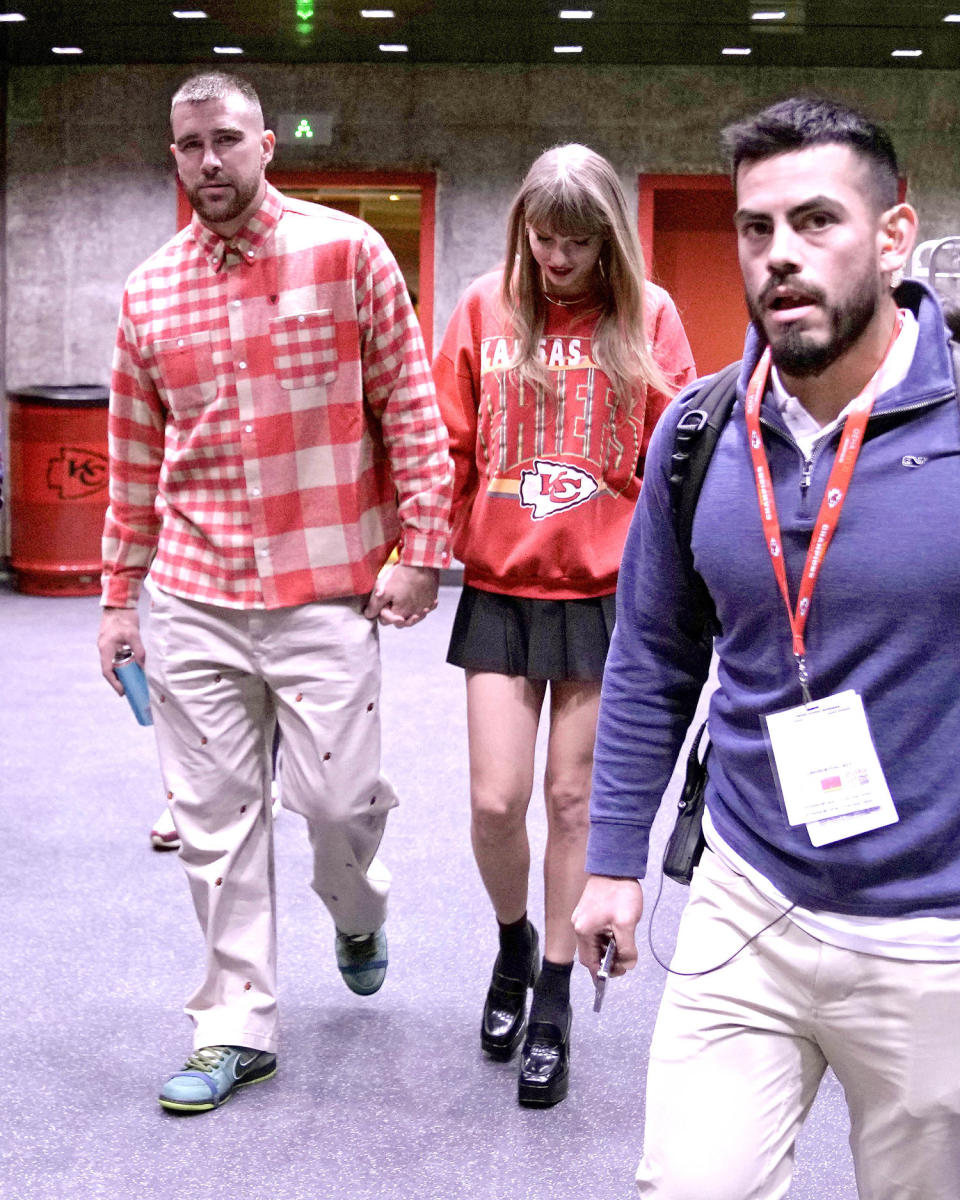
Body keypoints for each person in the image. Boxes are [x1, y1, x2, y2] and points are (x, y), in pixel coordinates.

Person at [573, 95, 960, 1198]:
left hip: (935, 930)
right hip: (749, 897)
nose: (781, 255)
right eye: (757, 228)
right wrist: (610, 861)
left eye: (817, 221)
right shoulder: (696, 431)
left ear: (893, 236)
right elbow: (651, 655)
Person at [97, 71, 452, 1114]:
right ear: (174, 154)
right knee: (213, 822)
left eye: (227, 140)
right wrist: (120, 598)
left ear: (266, 145)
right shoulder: (148, 290)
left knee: (339, 807)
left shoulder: (348, 252)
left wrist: (420, 546)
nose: (209, 161)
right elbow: (129, 460)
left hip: (324, 590)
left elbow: (411, 409)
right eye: (189, 145)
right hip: (196, 594)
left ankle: (358, 909)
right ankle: (233, 1023)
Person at [433, 144, 694, 1107]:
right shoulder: (480, 310)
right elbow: (445, 447)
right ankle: (513, 946)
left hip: (601, 592)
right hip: (501, 585)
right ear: (522, 230)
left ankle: (551, 1000)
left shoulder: (649, 315)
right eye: (543, 240)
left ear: (608, 241)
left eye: (577, 244)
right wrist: (416, 552)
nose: (557, 259)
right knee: (499, 801)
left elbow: (677, 461)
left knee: (572, 800)